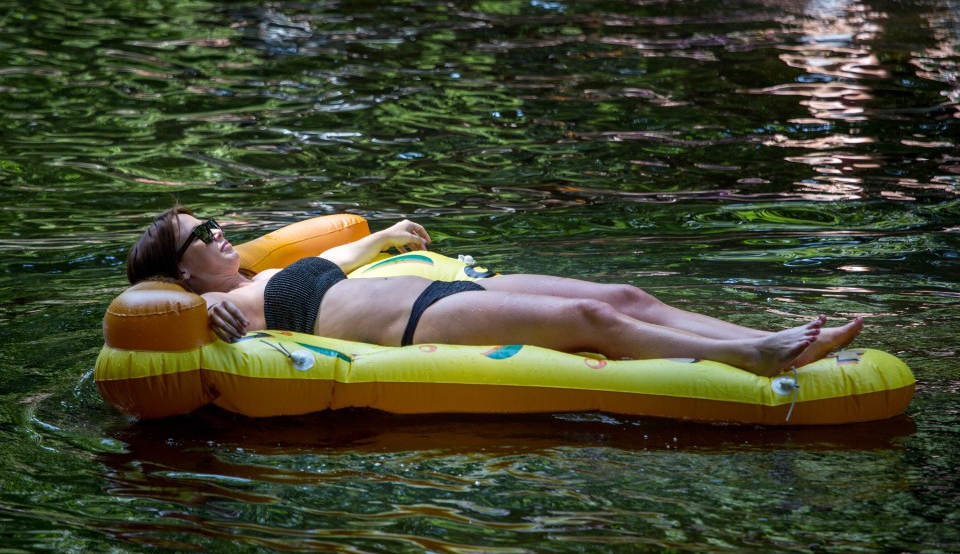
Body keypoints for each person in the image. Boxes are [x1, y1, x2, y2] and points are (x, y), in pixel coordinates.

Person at [126, 207, 863, 377]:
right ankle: (756, 357)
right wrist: (222, 325)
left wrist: (382, 237)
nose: (222, 234)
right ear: (182, 269)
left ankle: (769, 333)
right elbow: (175, 329)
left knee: (625, 292)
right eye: (204, 234)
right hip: (417, 320)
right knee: (589, 317)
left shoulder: (260, 273)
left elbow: (340, 252)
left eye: (217, 223)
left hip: (449, 283)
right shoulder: (204, 304)